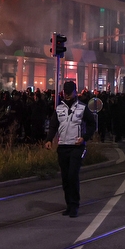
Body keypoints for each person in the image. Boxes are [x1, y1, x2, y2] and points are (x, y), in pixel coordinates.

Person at [45, 80, 96, 218]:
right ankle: (68, 204)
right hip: (63, 147)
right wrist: (49, 139)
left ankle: (74, 205)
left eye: (70, 92)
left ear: (75, 91)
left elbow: (92, 125)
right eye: (65, 92)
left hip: (77, 147)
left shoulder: (82, 108)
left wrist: (84, 137)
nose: (67, 95)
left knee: (73, 175)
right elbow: (53, 126)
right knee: (65, 178)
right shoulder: (59, 109)